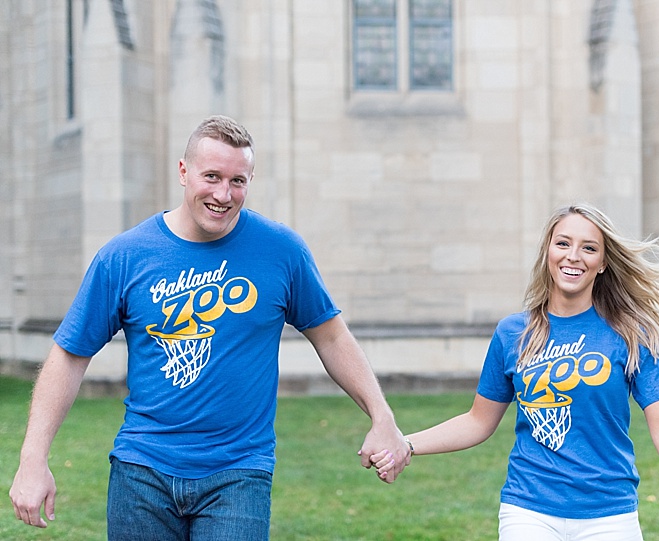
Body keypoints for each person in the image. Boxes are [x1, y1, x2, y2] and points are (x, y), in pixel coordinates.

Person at [9, 115, 410, 540]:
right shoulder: (125, 257)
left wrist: (381, 415)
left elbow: (331, 337)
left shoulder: (282, 251)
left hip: (239, 473)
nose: (223, 194)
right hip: (141, 471)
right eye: (212, 176)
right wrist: (33, 459)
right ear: (184, 172)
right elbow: (70, 355)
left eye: (238, 181)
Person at [374, 203, 659, 540]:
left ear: (603, 263)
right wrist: (406, 445)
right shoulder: (513, 333)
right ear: (548, 251)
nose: (573, 256)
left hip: (610, 514)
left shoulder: (633, 334)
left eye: (589, 248)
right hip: (528, 510)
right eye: (563, 243)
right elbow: (478, 421)